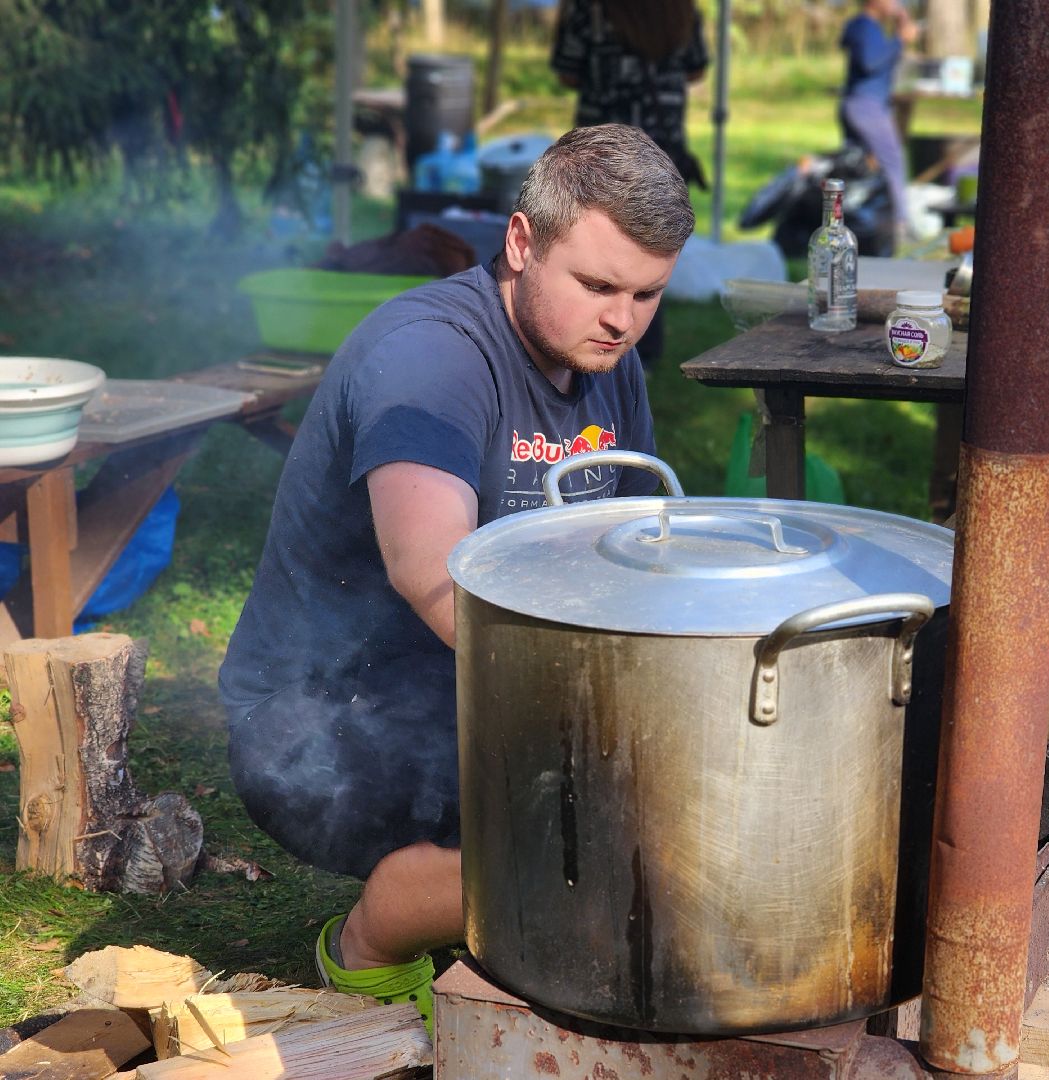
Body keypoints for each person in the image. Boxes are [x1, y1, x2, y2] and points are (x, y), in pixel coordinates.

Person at [217, 124, 695, 1031]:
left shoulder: (609, 360)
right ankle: (369, 942)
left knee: (668, 808)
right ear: (520, 242)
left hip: (475, 685)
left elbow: (637, 551)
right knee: (601, 844)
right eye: (597, 286)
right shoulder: (430, 357)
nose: (622, 320)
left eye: (647, 295)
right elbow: (427, 567)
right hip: (329, 719)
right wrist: (595, 718)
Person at [550, 0, 708, 367]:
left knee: (597, 251)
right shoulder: (680, 6)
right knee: (653, 251)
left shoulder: (590, 8)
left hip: (603, 148)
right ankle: (643, 355)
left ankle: (593, 343)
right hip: (662, 146)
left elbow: (567, 72)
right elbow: (696, 68)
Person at [839, 0, 918, 248]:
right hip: (866, 106)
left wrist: (899, 33)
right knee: (892, 160)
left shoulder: (866, 27)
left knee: (860, 165)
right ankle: (900, 226)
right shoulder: (865, 26)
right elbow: (870, 62)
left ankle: (857, 222)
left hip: (864, 104)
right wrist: (899, 40)